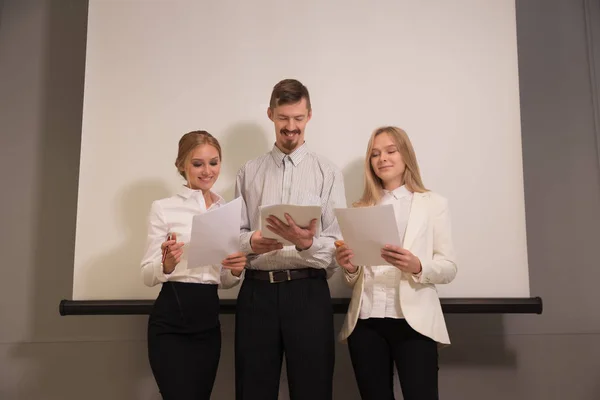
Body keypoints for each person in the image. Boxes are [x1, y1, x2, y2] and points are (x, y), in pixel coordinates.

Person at [234, 79, 347, 400]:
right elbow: (233, 237)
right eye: (283, 118)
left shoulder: (328, 172)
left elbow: (336, 247)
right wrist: (251, 243)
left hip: (308, 293)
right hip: (256, 294)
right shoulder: (248, 172)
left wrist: (306, 243)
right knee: (252, 391)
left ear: (309, 115)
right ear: (270, 114)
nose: (291, 127)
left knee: (313, 391)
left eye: (298, 118)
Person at [335, 126, 458, 400]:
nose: (382, 159)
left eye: (391, 151)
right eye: (375, 154)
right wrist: (350, 266)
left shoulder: (433, 204)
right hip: (366, 321)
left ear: (406, 156)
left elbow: (449, 266)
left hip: (413, 323)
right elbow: (353, 277)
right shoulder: (361, 208)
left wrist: (417, 265)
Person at [140, 130, 247, 400]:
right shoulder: (164, 208)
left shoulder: (226, 210)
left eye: (214, 162)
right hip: (171, 323)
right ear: (182, 166)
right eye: (198, 163)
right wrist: (166, 265)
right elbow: (147, 274)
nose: (207, 171)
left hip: (208, 323)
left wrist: (236, 269)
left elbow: (223, 280)